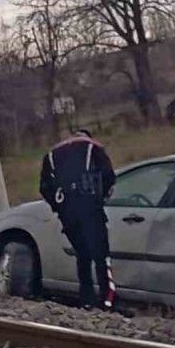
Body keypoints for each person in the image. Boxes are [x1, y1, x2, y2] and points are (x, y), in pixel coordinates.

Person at [38, 129, 117, 311]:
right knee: (101, 255)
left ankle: (86, 300)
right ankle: (107, 300)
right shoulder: (93, 147)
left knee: (83, 255)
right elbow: (108, 176)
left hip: (68, 212)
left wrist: (58, 206)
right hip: (90, 206)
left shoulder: (51, 155)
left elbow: (44, 187)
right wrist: (101, 197)